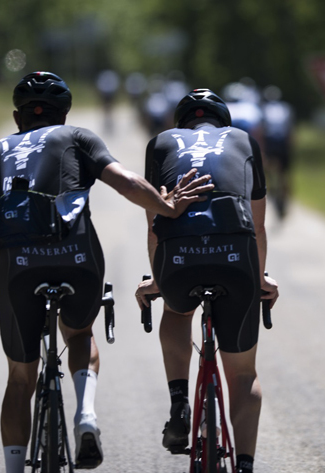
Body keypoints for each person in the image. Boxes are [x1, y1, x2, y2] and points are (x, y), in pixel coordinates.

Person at [0, 71, 212, 472]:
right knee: (79, 333)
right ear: (65, 114)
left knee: (19, 381)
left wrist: (8, 296)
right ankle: (86, 415)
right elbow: (126, 182)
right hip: (77, 257)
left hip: (17, 269)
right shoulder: (77, 138)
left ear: (16, 118)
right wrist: (168, 207)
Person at [135, 89, 279, 473]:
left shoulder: (161, 143)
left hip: (179, 255)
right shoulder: (245, 141)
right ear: (223, 122)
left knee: (177, 310)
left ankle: (179, 401)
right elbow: (259, 226)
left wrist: (157, 279)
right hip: (236, 256)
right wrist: (260, 277)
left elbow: (155, 222)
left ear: (179, 123)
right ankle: (245, 465)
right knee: (244, 374)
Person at [261, 85, 295, 219]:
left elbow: (262, 131)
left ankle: (273, 193)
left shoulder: (264, 109)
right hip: (283, 143)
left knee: (269, 172)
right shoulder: (286, 108)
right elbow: (290, 129)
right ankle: (285, 199)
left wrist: (262, 151)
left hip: (270, 143)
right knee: (285, 174)